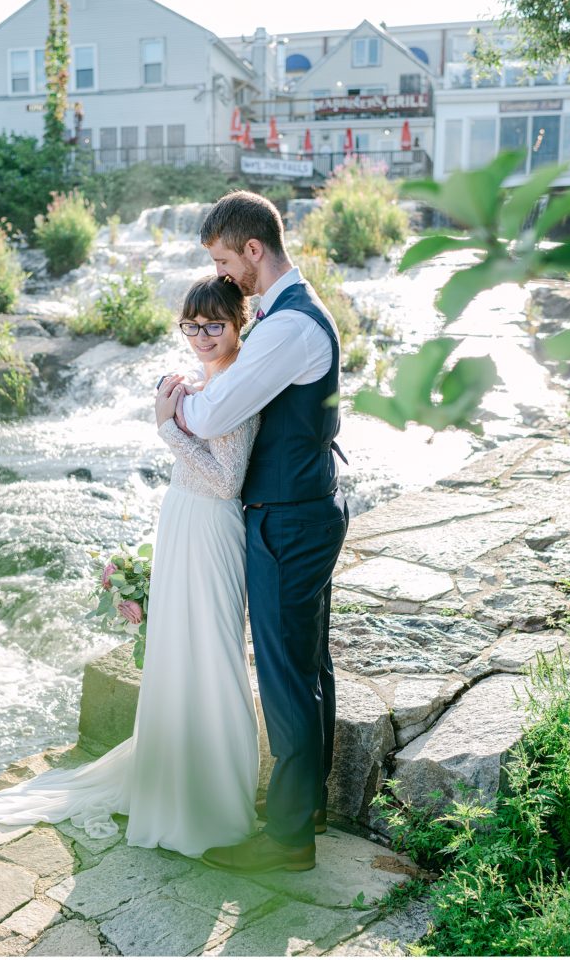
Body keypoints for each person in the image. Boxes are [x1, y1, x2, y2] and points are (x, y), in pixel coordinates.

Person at [0, 277, 261, 860]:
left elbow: (225, 481)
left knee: (212, 655)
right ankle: (178, 788)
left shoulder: (236, 388)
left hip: (213, 527)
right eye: (191, 326)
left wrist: (167, 428)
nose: (201, 337)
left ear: (239, 322)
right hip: (183, 521)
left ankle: (213, 801)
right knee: (178, 653)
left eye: (213, 325)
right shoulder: (205, 380)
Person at [174, 189, 349, 875]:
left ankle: (285, 841)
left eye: (224, 260)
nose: (221, 277)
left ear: (254, 250)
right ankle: (310, 810)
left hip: (287, 519)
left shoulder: (288, 328)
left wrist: (174, 408)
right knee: (307, 668)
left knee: (284, 675)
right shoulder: (290, 316)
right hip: (305, 507)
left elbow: (215, 414)